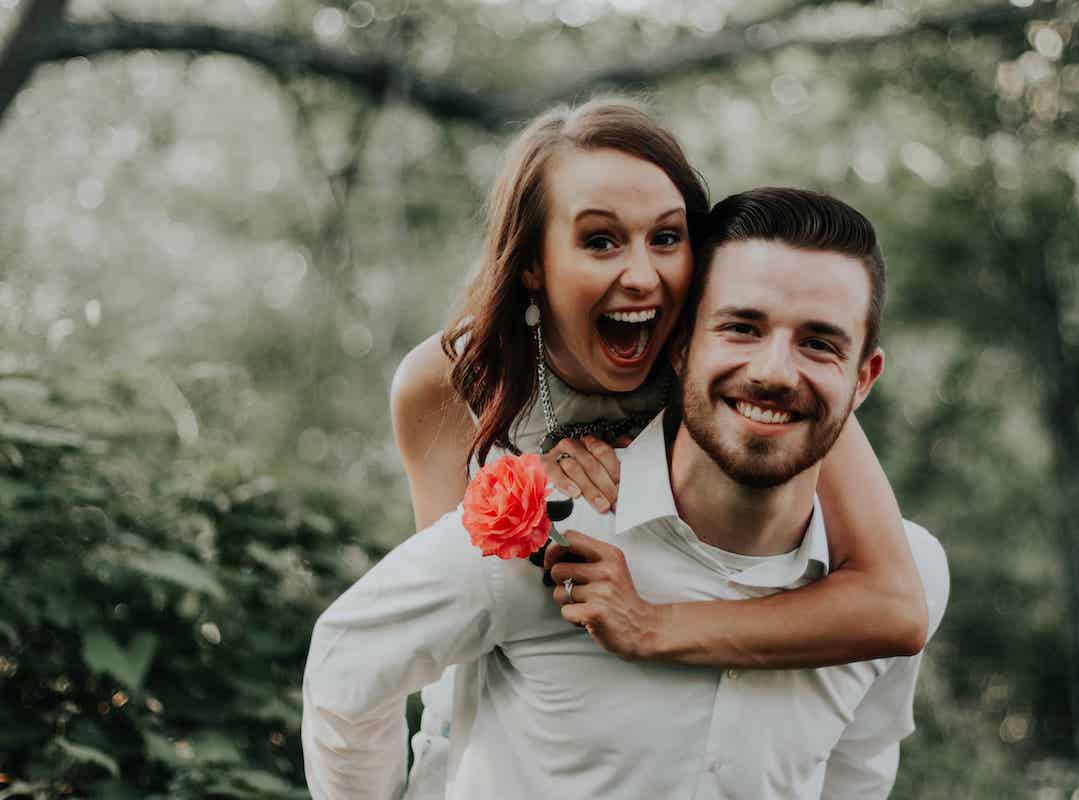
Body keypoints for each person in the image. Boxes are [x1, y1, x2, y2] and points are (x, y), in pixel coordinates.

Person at [303, 187, 950, 799]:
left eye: (818, 343)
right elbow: (348, 666)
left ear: (864, 379)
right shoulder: (546, 530)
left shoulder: (909, 572)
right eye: (742, 329)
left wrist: (655, 625)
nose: (774, 371)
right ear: (679, 347)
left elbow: (857, 768)